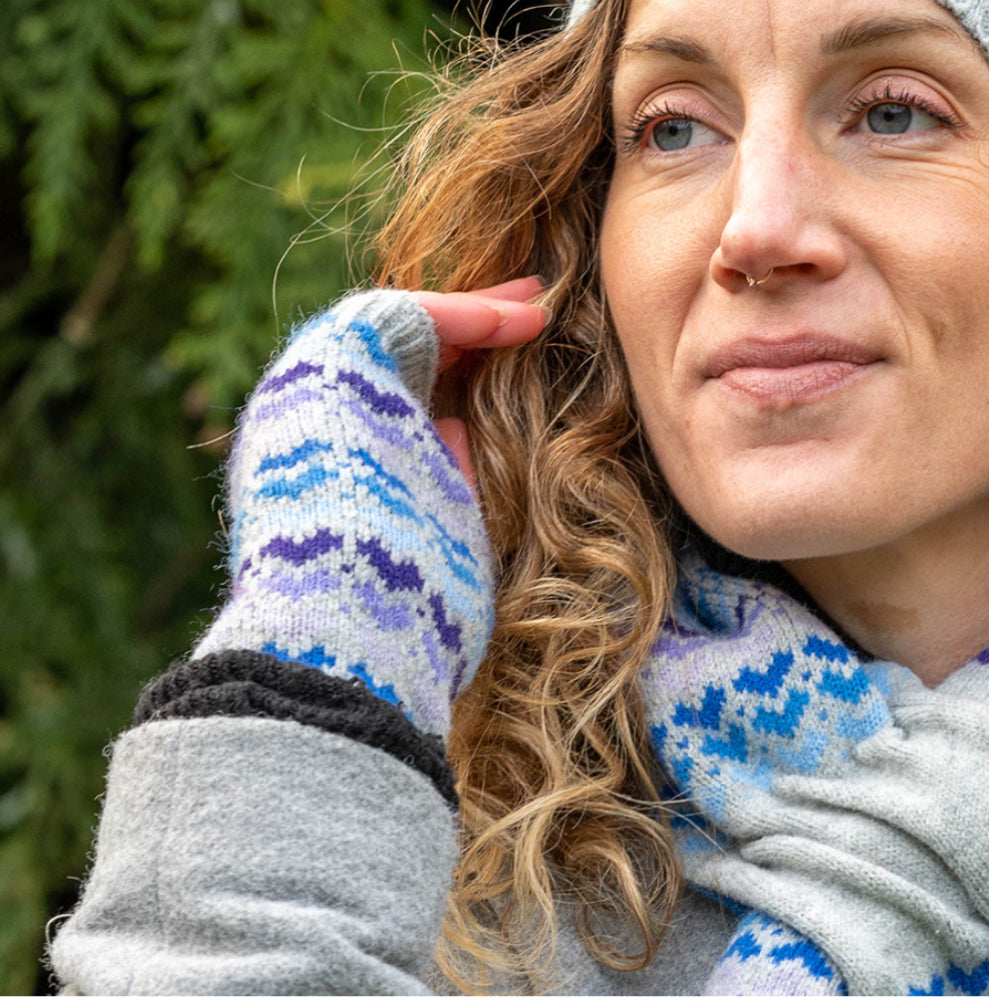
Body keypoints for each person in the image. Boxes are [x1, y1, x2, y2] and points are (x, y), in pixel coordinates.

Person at [48, 0, 989, 992]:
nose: (754, 227)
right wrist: (325, 647)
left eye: (894, 112)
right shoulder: (461, 899)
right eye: (672, 126)